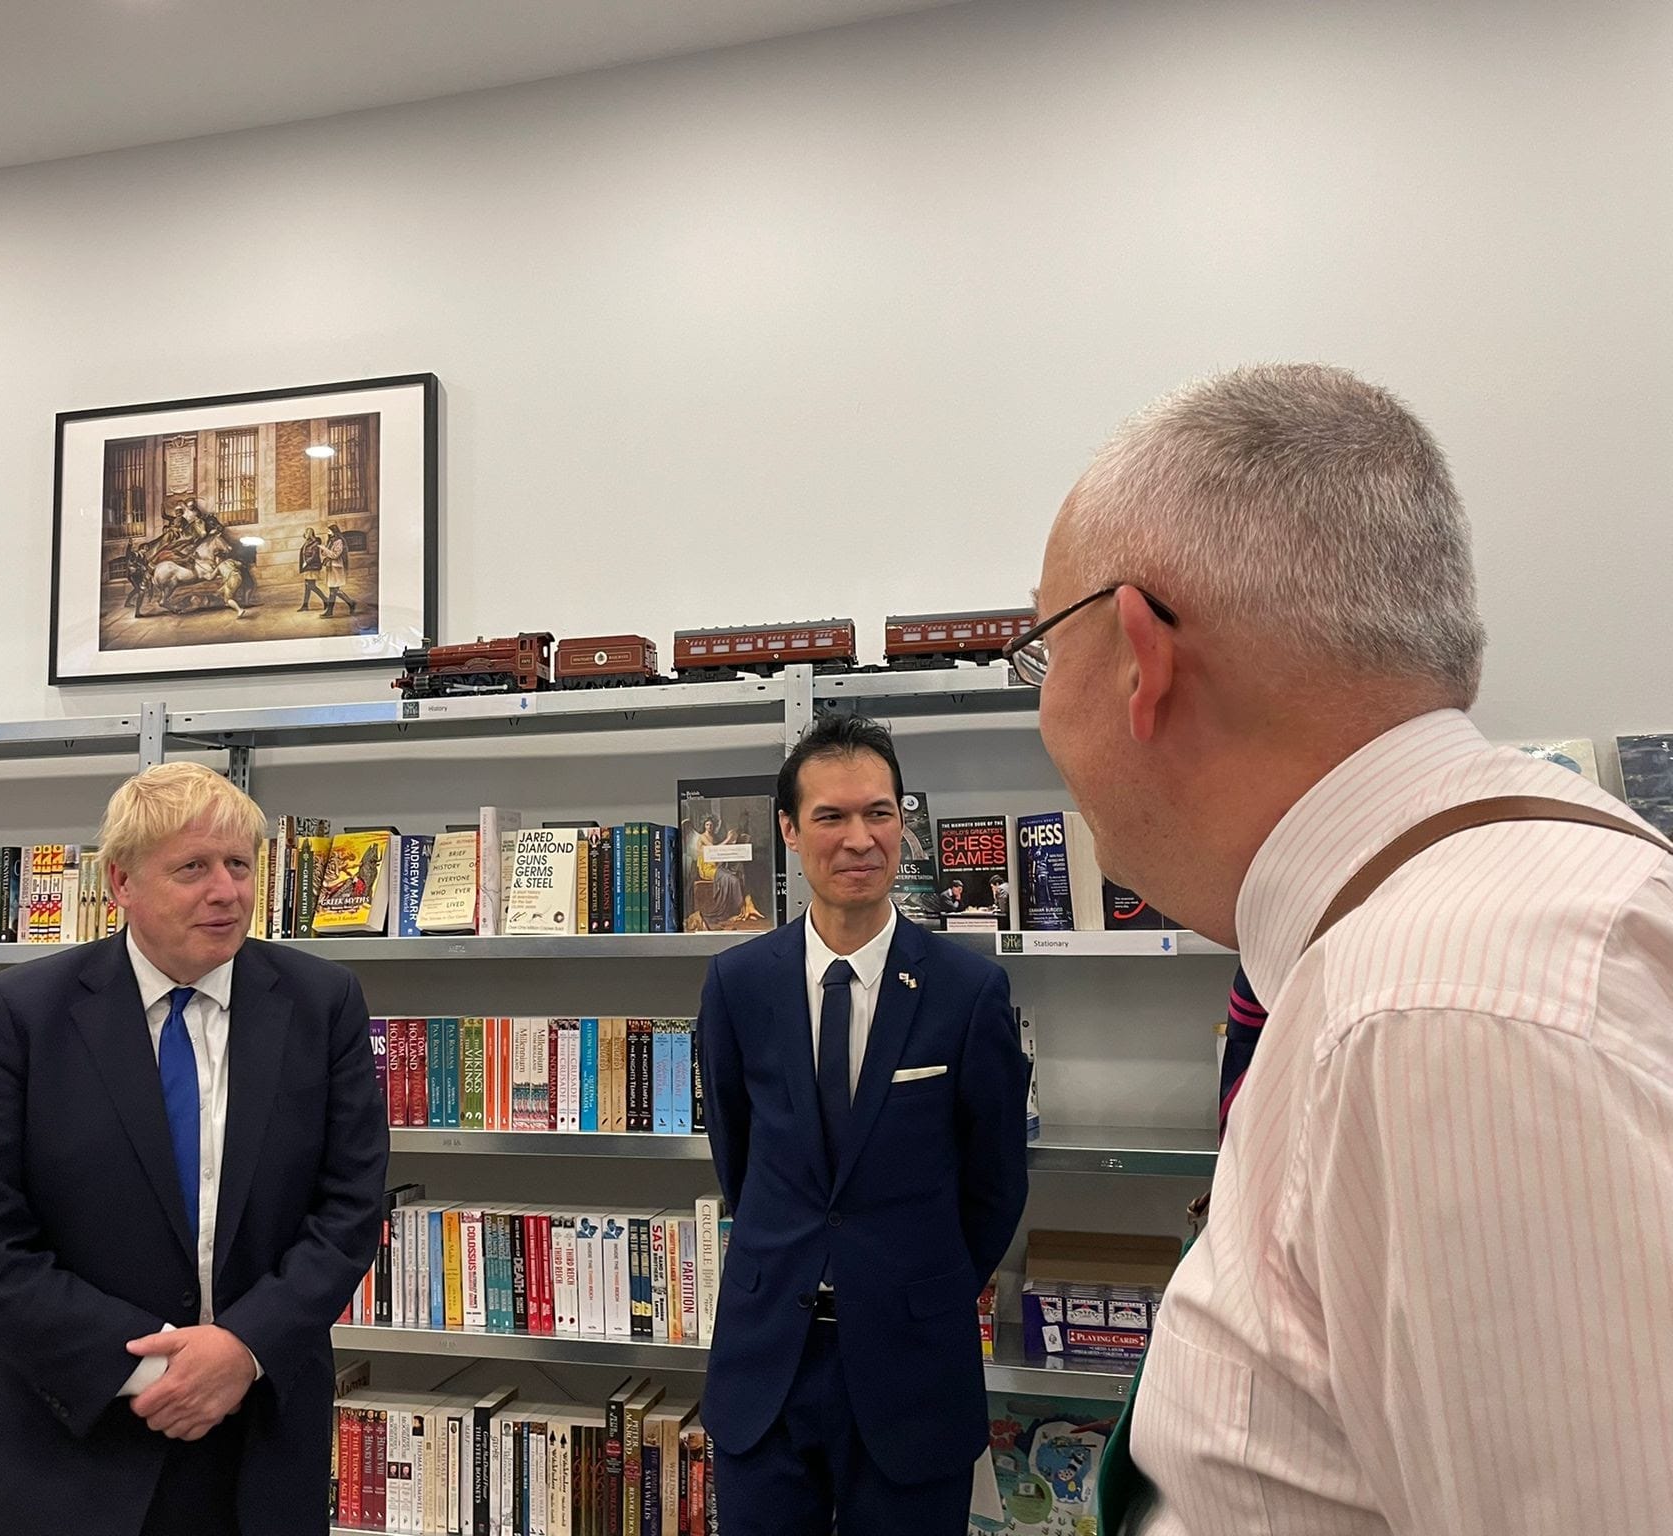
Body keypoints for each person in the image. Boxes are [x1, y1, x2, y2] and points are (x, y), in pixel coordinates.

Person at [1015, 363, 1673, 1534]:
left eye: (1036, 652)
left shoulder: (1444, 1013)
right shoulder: (1477, 914)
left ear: (1137, 653)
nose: (1037, 709)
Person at [0, 762, 390, 1536]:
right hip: (63, 1445)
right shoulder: (22, 1015)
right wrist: (157, 1369)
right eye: (192, 868)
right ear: (121, 883)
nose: (226, 891)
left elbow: (349, 1209)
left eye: (239, 865)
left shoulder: (323, 1003)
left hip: (257, 1446)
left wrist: (241, 1350)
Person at [696, 713, 1031, 1536]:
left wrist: (918, 1281)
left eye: (880, 813)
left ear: (903, 821)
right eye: (831, 817)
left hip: (913, 1363)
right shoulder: (737, 984)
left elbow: (994, 1184)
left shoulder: (967, 990)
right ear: (788, 829)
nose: (860, 839)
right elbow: (739, 1158)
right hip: (769, 1356)